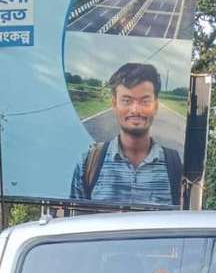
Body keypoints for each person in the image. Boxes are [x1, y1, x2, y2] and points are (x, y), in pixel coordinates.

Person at [70, 63, 182, 207]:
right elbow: (75, 217)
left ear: (156, 106)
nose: (135, 110)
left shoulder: (176, 167)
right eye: (126, 101)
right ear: (114, 104)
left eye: (145, 101)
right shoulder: (88, 163)